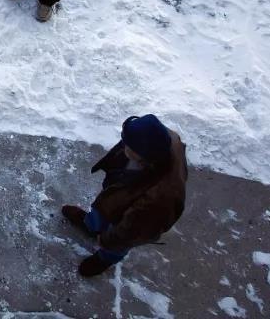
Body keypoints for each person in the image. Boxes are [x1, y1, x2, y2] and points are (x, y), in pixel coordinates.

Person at [62, 114, 188, 277]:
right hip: (122, 192)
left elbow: (130, 233)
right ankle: (91, 225)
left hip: (131, 224)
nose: (124, 147)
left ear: (144, 156)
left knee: (118, 242)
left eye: (129, 146)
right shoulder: (164, 138)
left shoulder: (158, 200)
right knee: (103, 210)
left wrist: (108, 241)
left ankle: (104, 258)